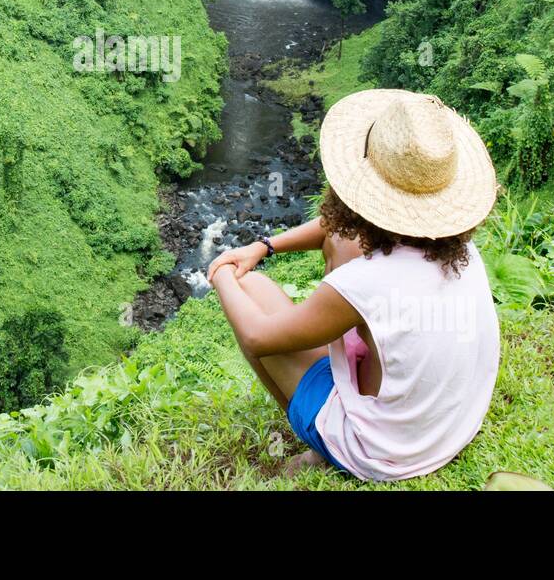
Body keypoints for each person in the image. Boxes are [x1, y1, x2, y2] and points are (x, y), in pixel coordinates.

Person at [206, 89, 501, 480]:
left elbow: (259, 337)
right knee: (283, 274)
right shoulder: (457, 250)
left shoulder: (364, 283)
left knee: (248, 293)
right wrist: (264, 246)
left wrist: (222, 271)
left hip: (384, 454)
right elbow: (340, 228)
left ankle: (326, 447)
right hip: (452, 429)